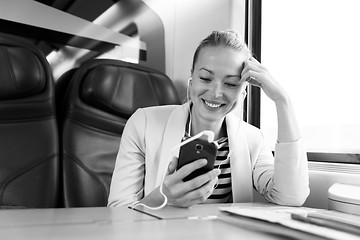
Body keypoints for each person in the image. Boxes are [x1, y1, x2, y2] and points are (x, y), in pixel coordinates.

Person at [107, 29, 310, 208]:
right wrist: (163, 198)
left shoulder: (253, 139)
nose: (215, 93)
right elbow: (117, 212)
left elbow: (290, 197)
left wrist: (282, 100)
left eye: (231, 84)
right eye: (205, 78)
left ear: (243, 92)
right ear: (192, 78)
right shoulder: (143, 124)